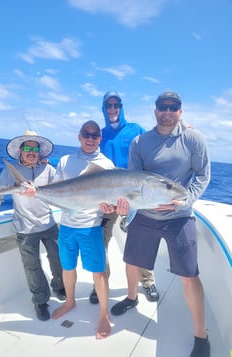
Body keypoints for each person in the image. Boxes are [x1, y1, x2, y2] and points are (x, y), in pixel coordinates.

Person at [110, 91, 211, 357]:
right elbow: (132, 181)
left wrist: (187, 199)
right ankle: (132, 298)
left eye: (173, 106)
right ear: (155, 110)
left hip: (180, 217)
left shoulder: (193, 138)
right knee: (131, 262)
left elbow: (203, 175)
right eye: (162, 106)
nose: (167, 110)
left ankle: (201, 335)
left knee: (190, 275)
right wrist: (124, 204)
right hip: (145, 215)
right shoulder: (140, 142)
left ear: (180, 110)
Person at [0, 131, 66, 321]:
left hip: (48, 224)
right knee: (32, 267)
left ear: (39, 152)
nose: (31, 151)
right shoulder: (9, 172)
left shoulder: (49, 170)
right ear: (20, 151)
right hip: (25, 228)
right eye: (27, 148)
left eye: (35, 148)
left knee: (58, 260)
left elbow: (62, 191)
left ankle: (60, 287)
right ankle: (40, 301)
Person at [50, 120, 119, 339]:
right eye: (86, 134)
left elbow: (112, 198)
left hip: (90, 226)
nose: (90, 139)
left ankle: (103, 314)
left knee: (98, 272)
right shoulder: (65, 160)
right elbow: (56, 188)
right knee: (67, 267)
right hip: (67, 225)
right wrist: (34, 191)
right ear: (79, 136)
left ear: (100, 138)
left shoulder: (107, 164)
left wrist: (112, 206)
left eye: (95, 135)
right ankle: (70, 302)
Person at [89, 91, 159, 305]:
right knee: (101, 242)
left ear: (121, 107)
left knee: (139, 241)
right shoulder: (99, 135)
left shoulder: (136, 130)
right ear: (104, 108)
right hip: (108, 199)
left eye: (116, 105)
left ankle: (147, 281)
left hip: (133, 197)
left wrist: (181, 128)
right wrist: (49, 160)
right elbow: (84, 157)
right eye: (108, 105)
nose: (112, 109)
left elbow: (157, 140)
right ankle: (100, 283)